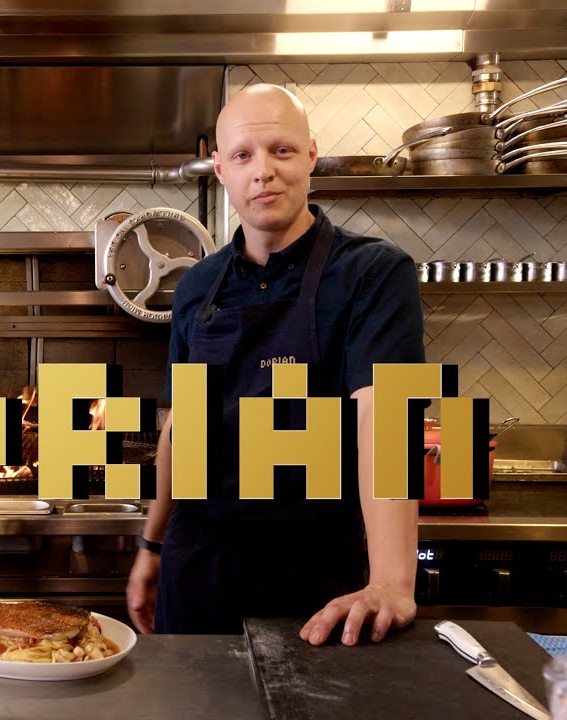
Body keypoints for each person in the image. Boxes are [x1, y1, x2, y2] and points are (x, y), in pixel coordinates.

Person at [126, 84, 424, 645]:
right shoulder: (195, 288)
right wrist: (153, 543)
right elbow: (182, 427)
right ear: (220, 170)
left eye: (282, 150)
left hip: (315, 581)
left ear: (311, 155)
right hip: (200, 573)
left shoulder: (374, 274)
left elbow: (386, 417)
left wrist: (390, 579)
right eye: (243, 155)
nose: (262, 171)